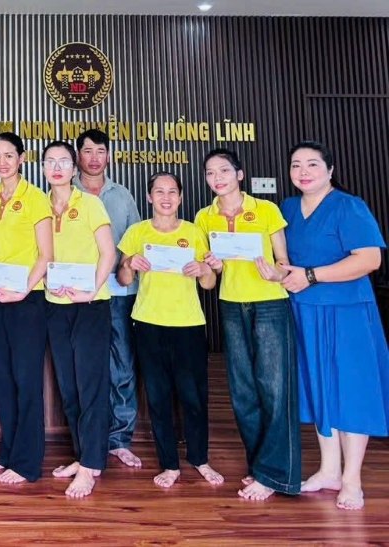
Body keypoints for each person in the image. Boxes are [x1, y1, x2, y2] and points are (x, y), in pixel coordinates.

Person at [280, 140, 389, 510]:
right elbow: (280, 258)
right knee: (317, 387)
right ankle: (328, 469)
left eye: (312, 164)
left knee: (350, 390)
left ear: (330, 170)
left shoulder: (349, 206)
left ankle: (352, 479)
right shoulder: (288, 209)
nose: (304, 171)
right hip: (303, 311)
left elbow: (370, 259)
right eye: (296, 165)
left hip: (347, 313)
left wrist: (312, 275)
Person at [195, 148, 300, 501]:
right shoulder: (204, 217)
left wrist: (276, 272)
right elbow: (216, 268)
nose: (217, 177)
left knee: (274, 388)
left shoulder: (266, 210)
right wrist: (214, 263)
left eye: (224, 170)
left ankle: (274, 475)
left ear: (239, 175)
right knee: (242, 392)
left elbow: (284, 261)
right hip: (230, 305)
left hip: (270, 303)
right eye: (210, 172)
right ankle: (260, 467)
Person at [117, 172, 223, 489]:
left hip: (188, 323)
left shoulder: (193, 232)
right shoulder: (137, 233)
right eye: (159, 191)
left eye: (172, 191)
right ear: (148, 197)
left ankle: (200, 458)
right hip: (147, 323)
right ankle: (169, 464)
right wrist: (128, 264)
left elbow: (209, 283)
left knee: (194, 396)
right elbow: (124, 280)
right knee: (159, 396)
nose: (166, 197)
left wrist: (205, 269)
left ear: (180, 197)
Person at [42, 141, 116, 498]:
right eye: (50, 162)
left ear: (75, 169)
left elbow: (109, 253)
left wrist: (92, 289)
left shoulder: (90, 203)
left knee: (91, 387)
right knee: (68, 388)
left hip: (90, 305)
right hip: (55, 305)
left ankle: (91, 465)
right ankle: (81, 454)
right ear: (42, 168)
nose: (57, 167)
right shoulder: (39, 206)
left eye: (64, 162)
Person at [0, 132, 53, 484]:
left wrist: (23, 290)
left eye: (10, 155)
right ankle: (8, 451)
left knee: (27, 380)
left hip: (28, 299)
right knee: (5, 380)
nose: (3, 161)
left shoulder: (37, 198)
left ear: (21, 159)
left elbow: (46, 254)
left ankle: (27, 462)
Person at [73, 129, 143, 469]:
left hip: (117, 293)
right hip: (76, 295)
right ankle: (89, 440)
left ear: (109, 156)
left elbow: (134, 242)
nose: (94, 157)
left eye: (100, 150)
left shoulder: (122, 195)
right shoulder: (64, 192)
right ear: (78, 157)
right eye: (87, 151)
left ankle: (120, 439)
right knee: (85, 369)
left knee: (122, 366)